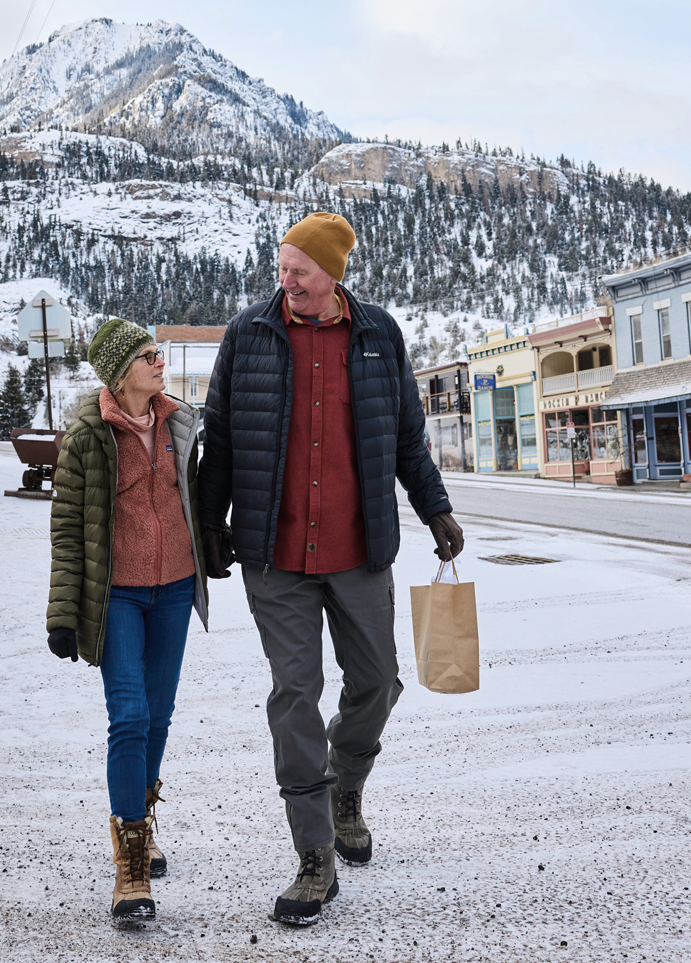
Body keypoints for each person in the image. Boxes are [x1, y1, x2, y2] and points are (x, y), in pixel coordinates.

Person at [198, 212, 464, 925]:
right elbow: (219, 437)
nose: (286, 285)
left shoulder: (378, 335)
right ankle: (314, 854)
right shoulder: (248, 335)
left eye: (300, 275)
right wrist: (208, 524)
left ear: (334, 276)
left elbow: (406, 433)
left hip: (358, 547)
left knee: (377, 681)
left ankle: (346, 786)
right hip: (274, 554)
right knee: (295, 693)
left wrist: (435, 508)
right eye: (281, 270)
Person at [45, 318, 211, 921]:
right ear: (120, 372)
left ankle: (141, 820)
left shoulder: (178, 423)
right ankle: (132, 868)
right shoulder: (89, 434)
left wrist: (213, 550)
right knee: (131, 715)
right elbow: (68, 530)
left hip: (173, 592)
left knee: (159, 718)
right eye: (147, 356)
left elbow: (197, 498)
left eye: (158, 353)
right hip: (117, 595)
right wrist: (63, 614)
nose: (159, 362)